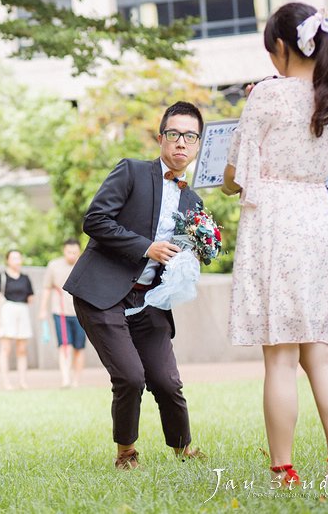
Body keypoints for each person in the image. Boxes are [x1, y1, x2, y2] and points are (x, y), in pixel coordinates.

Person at [222, 3, 328, 489]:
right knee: (319, 353)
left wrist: (229, 179)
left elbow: (233, 176)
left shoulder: (267, 97)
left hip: (276, 224)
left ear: (282, 47)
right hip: (318, 223)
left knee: (279, 355)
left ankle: (284, 470)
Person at [63, 102, 207, 470]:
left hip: (151, 300)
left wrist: (199, 253)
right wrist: (146, 247)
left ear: (197, 145)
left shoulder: (193, 201)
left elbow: (186, 252)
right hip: (102, 293)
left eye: (190, 137)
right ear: (161, 138)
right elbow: (94, 220)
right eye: (173, 134)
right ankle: (125, 453)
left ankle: (183, 449)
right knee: (130, 376)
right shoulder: (132, 171)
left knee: (166, 380)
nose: (181, 143)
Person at [39, 238, 86, 388]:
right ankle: (65, 378)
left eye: (74, 252)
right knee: (64, 346)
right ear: (64, 251)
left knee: (79, 348)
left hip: (80, 313)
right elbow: (47, 288)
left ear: (79, 252)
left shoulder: (85, 264)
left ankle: (76, 380)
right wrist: (42, 310)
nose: (72, 255)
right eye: (69, 252)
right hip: (60, 311)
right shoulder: (54, 265)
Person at [0, 250, 34, 390]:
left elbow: (31, 298)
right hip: (7, 311)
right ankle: (6, 383)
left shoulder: (25, 278)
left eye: (18, 258)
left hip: (22, 311)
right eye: (13, 258)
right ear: (7, 260)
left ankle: (23, 381)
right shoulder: (2, 276)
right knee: (5, 348)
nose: (17, 260)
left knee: (22, 349)